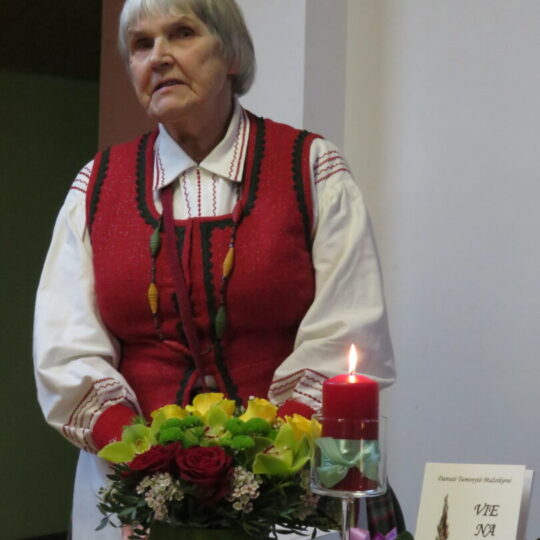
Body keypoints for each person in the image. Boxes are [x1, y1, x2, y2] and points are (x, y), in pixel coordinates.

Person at [33, 1, 397, 538]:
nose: (159, 57)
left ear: (231, 54)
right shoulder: (96, 186)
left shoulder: (312, 168)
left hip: (291, 498)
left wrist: (266, 460)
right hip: (134, 498)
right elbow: (65, 348)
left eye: (182, 33)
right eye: (141, 44)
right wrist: (144, 459)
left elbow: (349, 328)